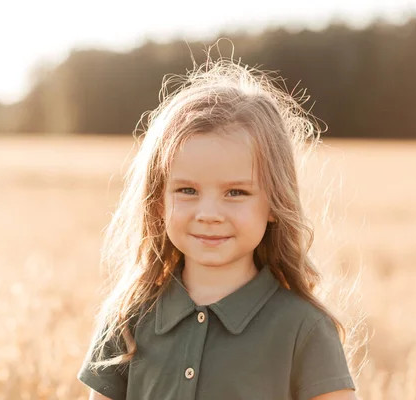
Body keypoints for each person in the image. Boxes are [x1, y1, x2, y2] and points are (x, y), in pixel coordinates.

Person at [77, 51, 358, 400]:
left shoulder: (303, 328)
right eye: (187, 190)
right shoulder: (127, 320)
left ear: (274, 203)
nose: (208, 213)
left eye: (236, 192)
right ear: (158, 201)